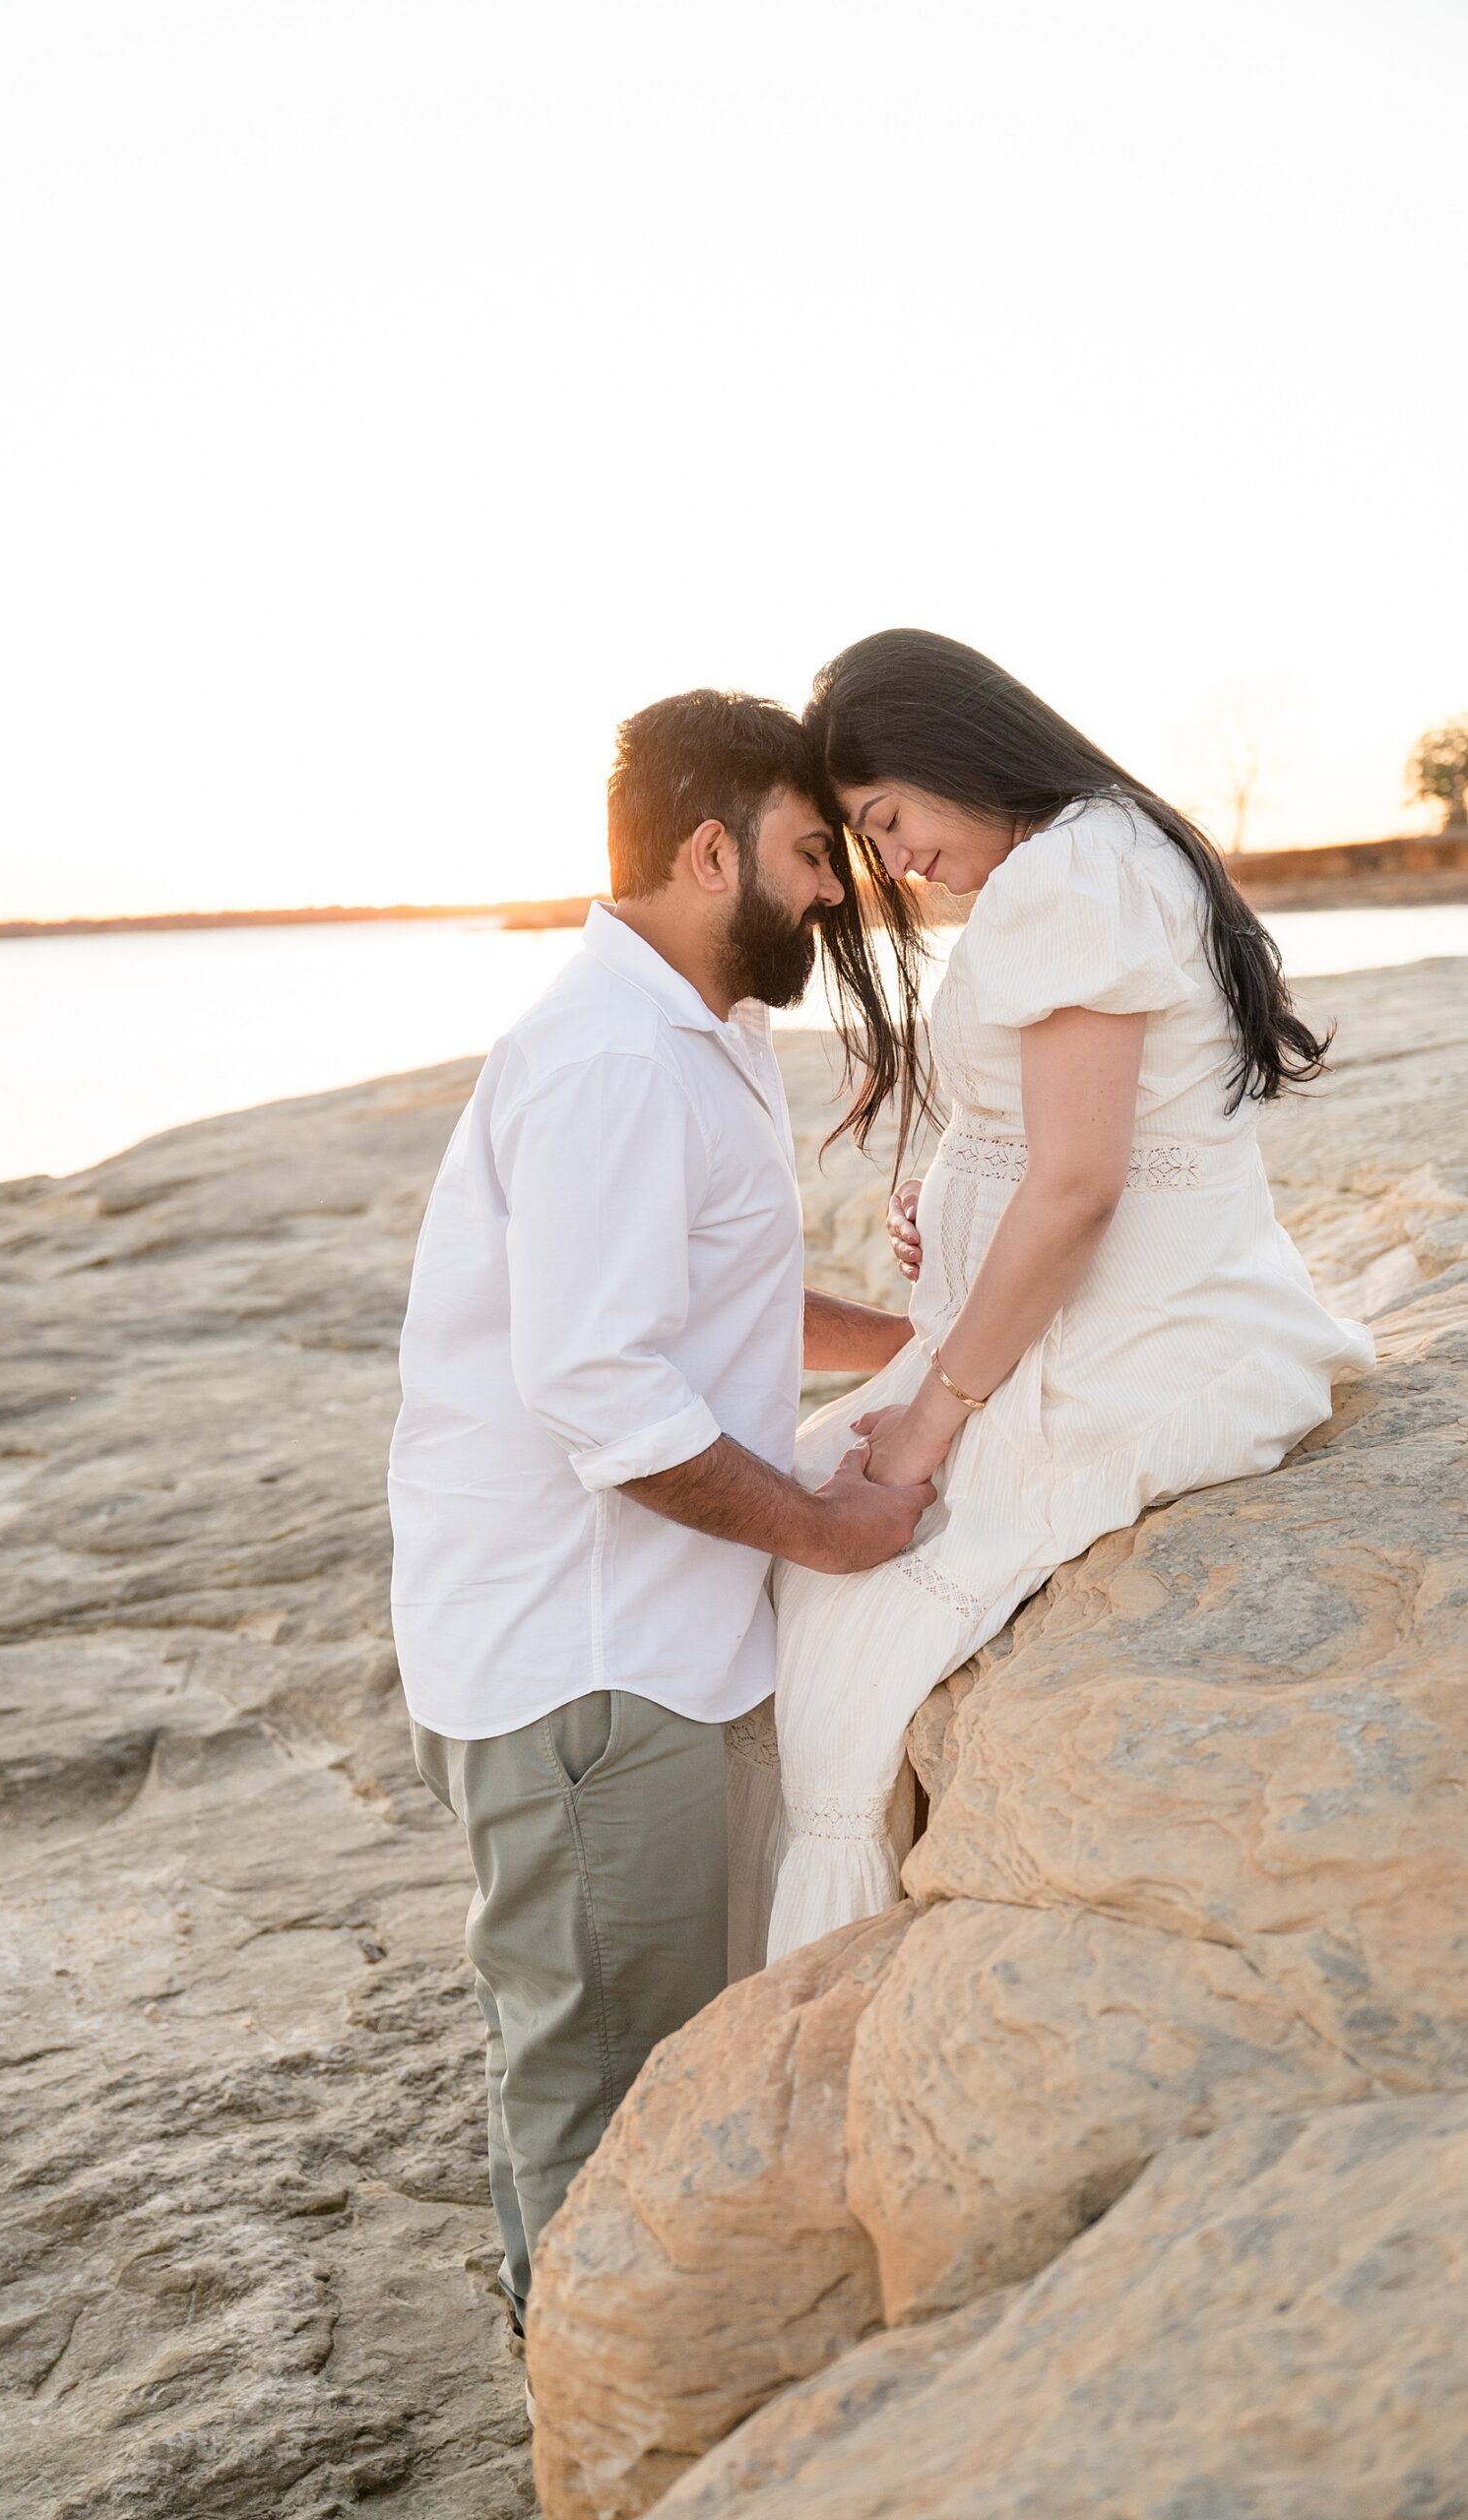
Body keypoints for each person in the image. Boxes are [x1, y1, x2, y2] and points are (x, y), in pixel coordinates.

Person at [387, 689, 931, 2351]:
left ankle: (592, 2342)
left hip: (657, 1643)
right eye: (806, 854)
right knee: (599, 2066)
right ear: (711, 850)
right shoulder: (614, 1061)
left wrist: (925, 1344)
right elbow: (606, 1395)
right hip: (586, 1668)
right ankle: (594, 2397)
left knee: (645, 2034)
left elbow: (717, 1307)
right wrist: (829, 1535)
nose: (835, 890)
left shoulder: (699, 1031)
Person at [729, 629, 1376, 1970]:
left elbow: (1079, 1189)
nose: (893, 861)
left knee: (845, 1616)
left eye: (888, 818)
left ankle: (822, 1977)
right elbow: (1063, 1146)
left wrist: (927, 1418)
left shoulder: (1077, 870)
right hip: (1082, 1323)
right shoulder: (1093, 853)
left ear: (950, 754)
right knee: (789, 1504)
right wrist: (965, 1192)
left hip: (1139, 1346)